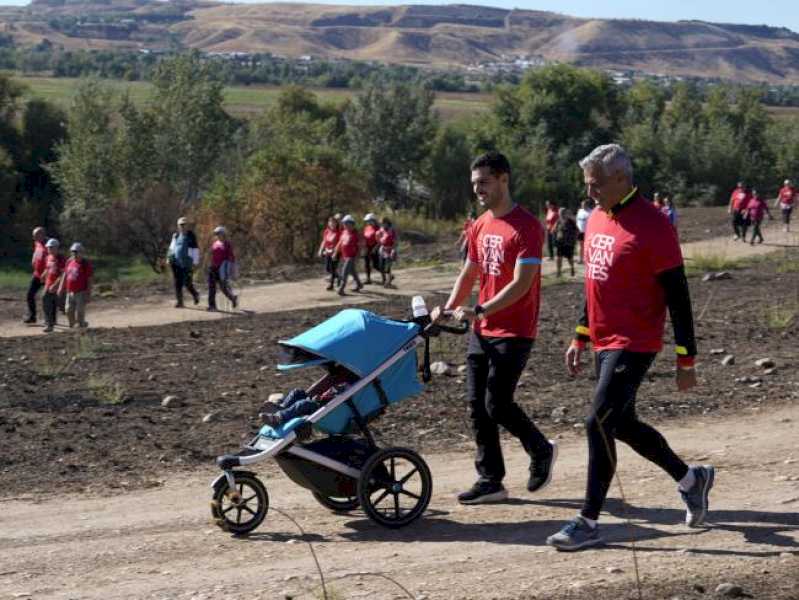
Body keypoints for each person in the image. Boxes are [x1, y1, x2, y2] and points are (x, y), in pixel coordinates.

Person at [546, 144, 713, 552]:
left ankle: (587, 521)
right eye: (587, 184)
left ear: (622, 178)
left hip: (635, 341)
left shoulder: (654, 226)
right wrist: (579, 335)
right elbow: (594, 283)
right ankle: (692, 479)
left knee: (597, 422)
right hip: (604, 339)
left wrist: (685, 358)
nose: (590, 193)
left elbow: (679, 295)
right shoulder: (599, 218)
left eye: (597, 184)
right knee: (619, 424)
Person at [431, 151, 556, 505]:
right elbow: (469, 273)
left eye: (484, 182)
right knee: (476, 405)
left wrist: (480, 309)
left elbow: (521, 283)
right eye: (474, 184)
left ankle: (541, 449)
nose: (478, 190)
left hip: (514, 329)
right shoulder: (480, 224)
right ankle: (491, 480)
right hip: (482, 329)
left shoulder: (527, 227)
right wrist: (450, 308)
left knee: (498, 404)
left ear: (504, 179)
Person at [167, 216, 200, 308]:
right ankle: (180, 301)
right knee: (177, 282)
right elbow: (171, 248)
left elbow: (195, 249)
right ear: (178, 226)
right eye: (181, 225)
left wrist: (195, 263)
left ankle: (195, 294)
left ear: (187, 225)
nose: (183, 226)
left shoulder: (191, 236)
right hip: (176, 263)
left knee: (187, 282)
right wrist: (169, 258)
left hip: (187, 264)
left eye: (184, 224)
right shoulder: (176, 235)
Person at [59, 242, 93, 329]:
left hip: (81, 292)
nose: (74, 254)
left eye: (76, 252)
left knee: (80, 312)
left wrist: (88, 294)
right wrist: (61, 287)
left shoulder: (85, 264)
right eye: (73, 252)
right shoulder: (69, 261)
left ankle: (81, 327)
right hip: (70, 291)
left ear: (81, 252)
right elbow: (65, 275)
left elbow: (89, 280)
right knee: (68, 310)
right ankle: (74, 325)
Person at [208, 226, 239, 311]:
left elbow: (231, 258)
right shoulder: (215, 243)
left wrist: (230, 270)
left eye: (219, 233)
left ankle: (233, 298)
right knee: (211, 287)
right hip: (213, 267)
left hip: (222, 269)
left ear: (224, 234)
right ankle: (212, 306)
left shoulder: (227, 244)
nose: (217, 235)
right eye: (216, 234)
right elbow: (212, 255)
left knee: (223, 288)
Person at [23, 226, 48, 324]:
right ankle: (32, 317)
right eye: (33, 236)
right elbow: (36, 252)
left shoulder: (49, 244)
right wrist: (33, 259)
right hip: (37, 274)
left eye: (36, 236)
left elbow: (52, 260)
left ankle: (51, 318)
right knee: (29, 295)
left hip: (47, 276)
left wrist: (45, 273)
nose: (34, 238)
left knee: (48, 298)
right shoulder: (37, 242)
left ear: (42, 234)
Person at [41, 238, 66, 333]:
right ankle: (49, 323)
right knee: (46, 301)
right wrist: (44, 274)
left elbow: (63, 274)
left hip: (58, 285)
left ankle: (78, 321)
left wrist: (56, 285)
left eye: (51, 247)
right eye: (48, 247)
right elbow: (47, 268)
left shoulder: (61, 259)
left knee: (61, 305)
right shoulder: (48, 257)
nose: (49, 249)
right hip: (48, 284)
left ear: (57, 248)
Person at [335, 215, 362, 296]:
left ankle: (341, 288)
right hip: (344, 256)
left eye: (348, 223)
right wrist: (335, 252)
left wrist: (358, 256)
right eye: (345, 223)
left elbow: (360, 246)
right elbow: (340, 242)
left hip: (351, 256)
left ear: (352, 224)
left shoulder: (356, 234)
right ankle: (359, 284)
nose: (346, 225)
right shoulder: (344, 232)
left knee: (345, 272)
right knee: (352, 272)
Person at [318, 216, 341, 291]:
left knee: (333, 268)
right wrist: (321, 250)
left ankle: (331, 285)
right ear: (328, 223)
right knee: (328, 268)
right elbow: (324, 241)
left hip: (336, 252)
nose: (332, 224)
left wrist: (335, 251)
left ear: (336, 223)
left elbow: (340, 243)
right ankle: (339, 277)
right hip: (327, 252)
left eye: (333, 222)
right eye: (330, 222)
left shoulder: (339, 232)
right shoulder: (327, 231)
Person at [554, 208, 578, 278]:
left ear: (565, 213)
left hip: (568, 243)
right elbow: (554, 230)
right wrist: (556, 236)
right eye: (560, 213)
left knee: (569, 258)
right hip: (560, 242)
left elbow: (577, 230)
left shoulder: (571, 221)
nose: (561, 214)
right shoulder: (558, 221)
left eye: (562, 212)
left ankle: (572, 268)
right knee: (559, 258)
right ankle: (559, 272)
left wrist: (573, 239)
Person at [377, 217, 397, 288]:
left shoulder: (392, 231)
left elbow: (394, 242)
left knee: (387, 267)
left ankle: (387, 282)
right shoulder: (381, 230)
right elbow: (379, 238)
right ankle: (385, 280)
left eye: (383, 223)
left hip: (389, 250)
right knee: (381, 266)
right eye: (381, 223)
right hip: (382, 250)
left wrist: (393, 250)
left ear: (387, 223)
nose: (382, 225)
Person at [362, 213, 381, 285]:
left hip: (375, 247)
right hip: (367, 247)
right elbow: (365, 238)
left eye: (369, 221)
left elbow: (380, 241)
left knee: (375, 265)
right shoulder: (367, 228)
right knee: (366, 263)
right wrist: (364, 246)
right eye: (367, 221)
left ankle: (387, 274)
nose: (368, 222)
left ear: (374, 220)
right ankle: (368, 279)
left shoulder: (378, 229)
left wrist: (375, 248)